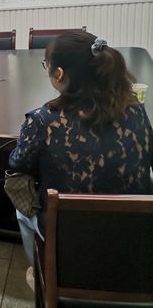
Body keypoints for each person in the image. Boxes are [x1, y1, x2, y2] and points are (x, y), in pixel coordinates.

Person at [9, 31, 153, 289]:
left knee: (22, 207)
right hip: (134, 235)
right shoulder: (136, 108)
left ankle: (42, 272)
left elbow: (17, 166)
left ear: (59, 74)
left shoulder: (42, 121)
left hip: (69, 239)